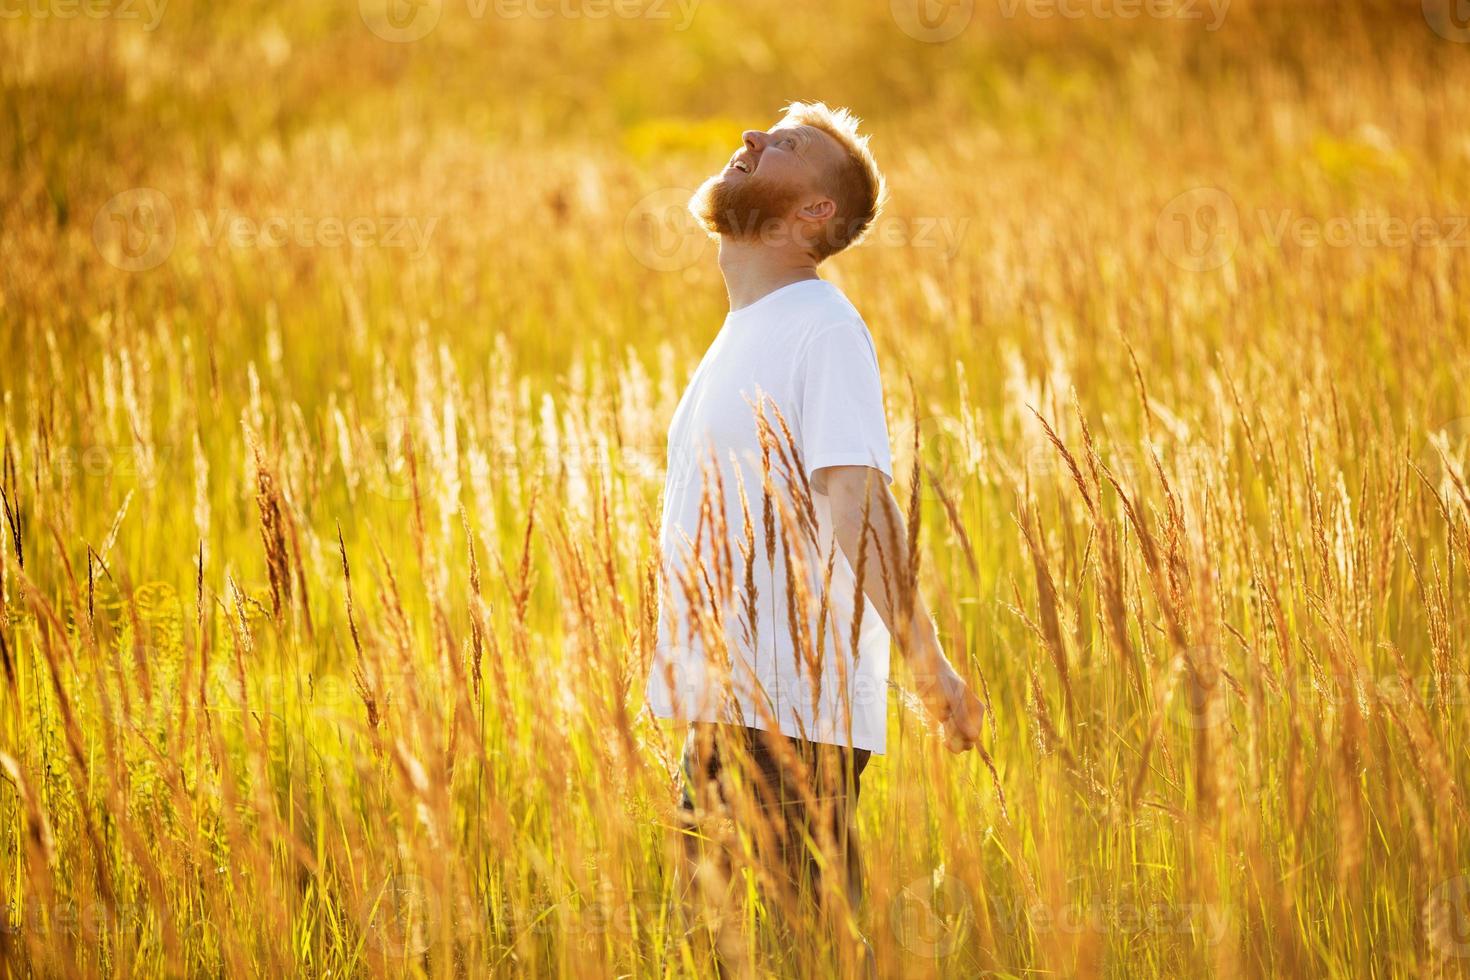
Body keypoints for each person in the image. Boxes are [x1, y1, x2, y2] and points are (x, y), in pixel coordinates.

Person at [643, 101, 986, 971]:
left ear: (814, 214)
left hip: (790, 716)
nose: (752, 138)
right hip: (731, 711)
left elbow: (856, 496)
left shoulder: (824, 329)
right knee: (730, 955)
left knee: (803, 953)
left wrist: (926, 661)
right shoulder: (742, 334)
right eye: (763, 132)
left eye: (785, 145)